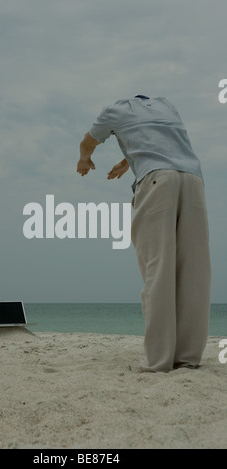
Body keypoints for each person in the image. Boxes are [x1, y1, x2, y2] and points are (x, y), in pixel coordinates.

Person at [77, 95, 211, 372]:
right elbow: (158, 141)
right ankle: (187, 358)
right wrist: (127, 162)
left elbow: (88, 141)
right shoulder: (167, 106)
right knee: (194, 273)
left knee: (158, 270)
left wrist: (84, 159)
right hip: (194, 180)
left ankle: (159, 361)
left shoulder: (115, 109)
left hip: (157, 181)